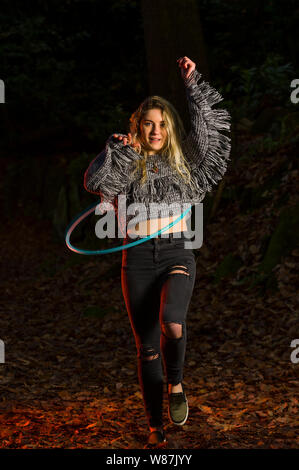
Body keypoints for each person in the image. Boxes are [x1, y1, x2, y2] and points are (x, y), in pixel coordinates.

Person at [84, 56, 231, 448]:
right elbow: (95, 181)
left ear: (170, 128)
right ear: (138, 126)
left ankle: (177, 383)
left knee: (172, 323)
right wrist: (115, 151)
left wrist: (192, 82)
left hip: (176, 254)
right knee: (146, 348)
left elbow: (211, 134)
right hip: (136, 261)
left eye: (162, 123)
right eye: (148, 123)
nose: (156, 130)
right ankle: (154, 426)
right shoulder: (129, 163)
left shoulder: (185, 164)